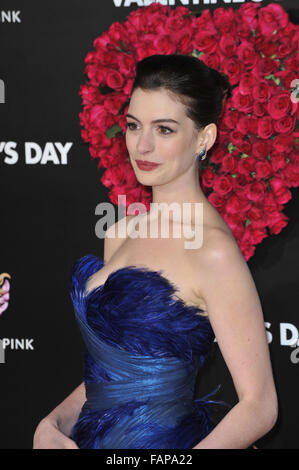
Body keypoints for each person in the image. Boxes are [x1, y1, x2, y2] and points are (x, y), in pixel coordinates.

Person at [33, 54, 278, 449]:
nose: (142, 145)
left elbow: (259, 405)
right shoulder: (119, 231)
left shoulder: (212, 251)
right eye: (133, 126)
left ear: (204, 138)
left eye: (164, 129)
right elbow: (114, 375)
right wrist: (52, 423)